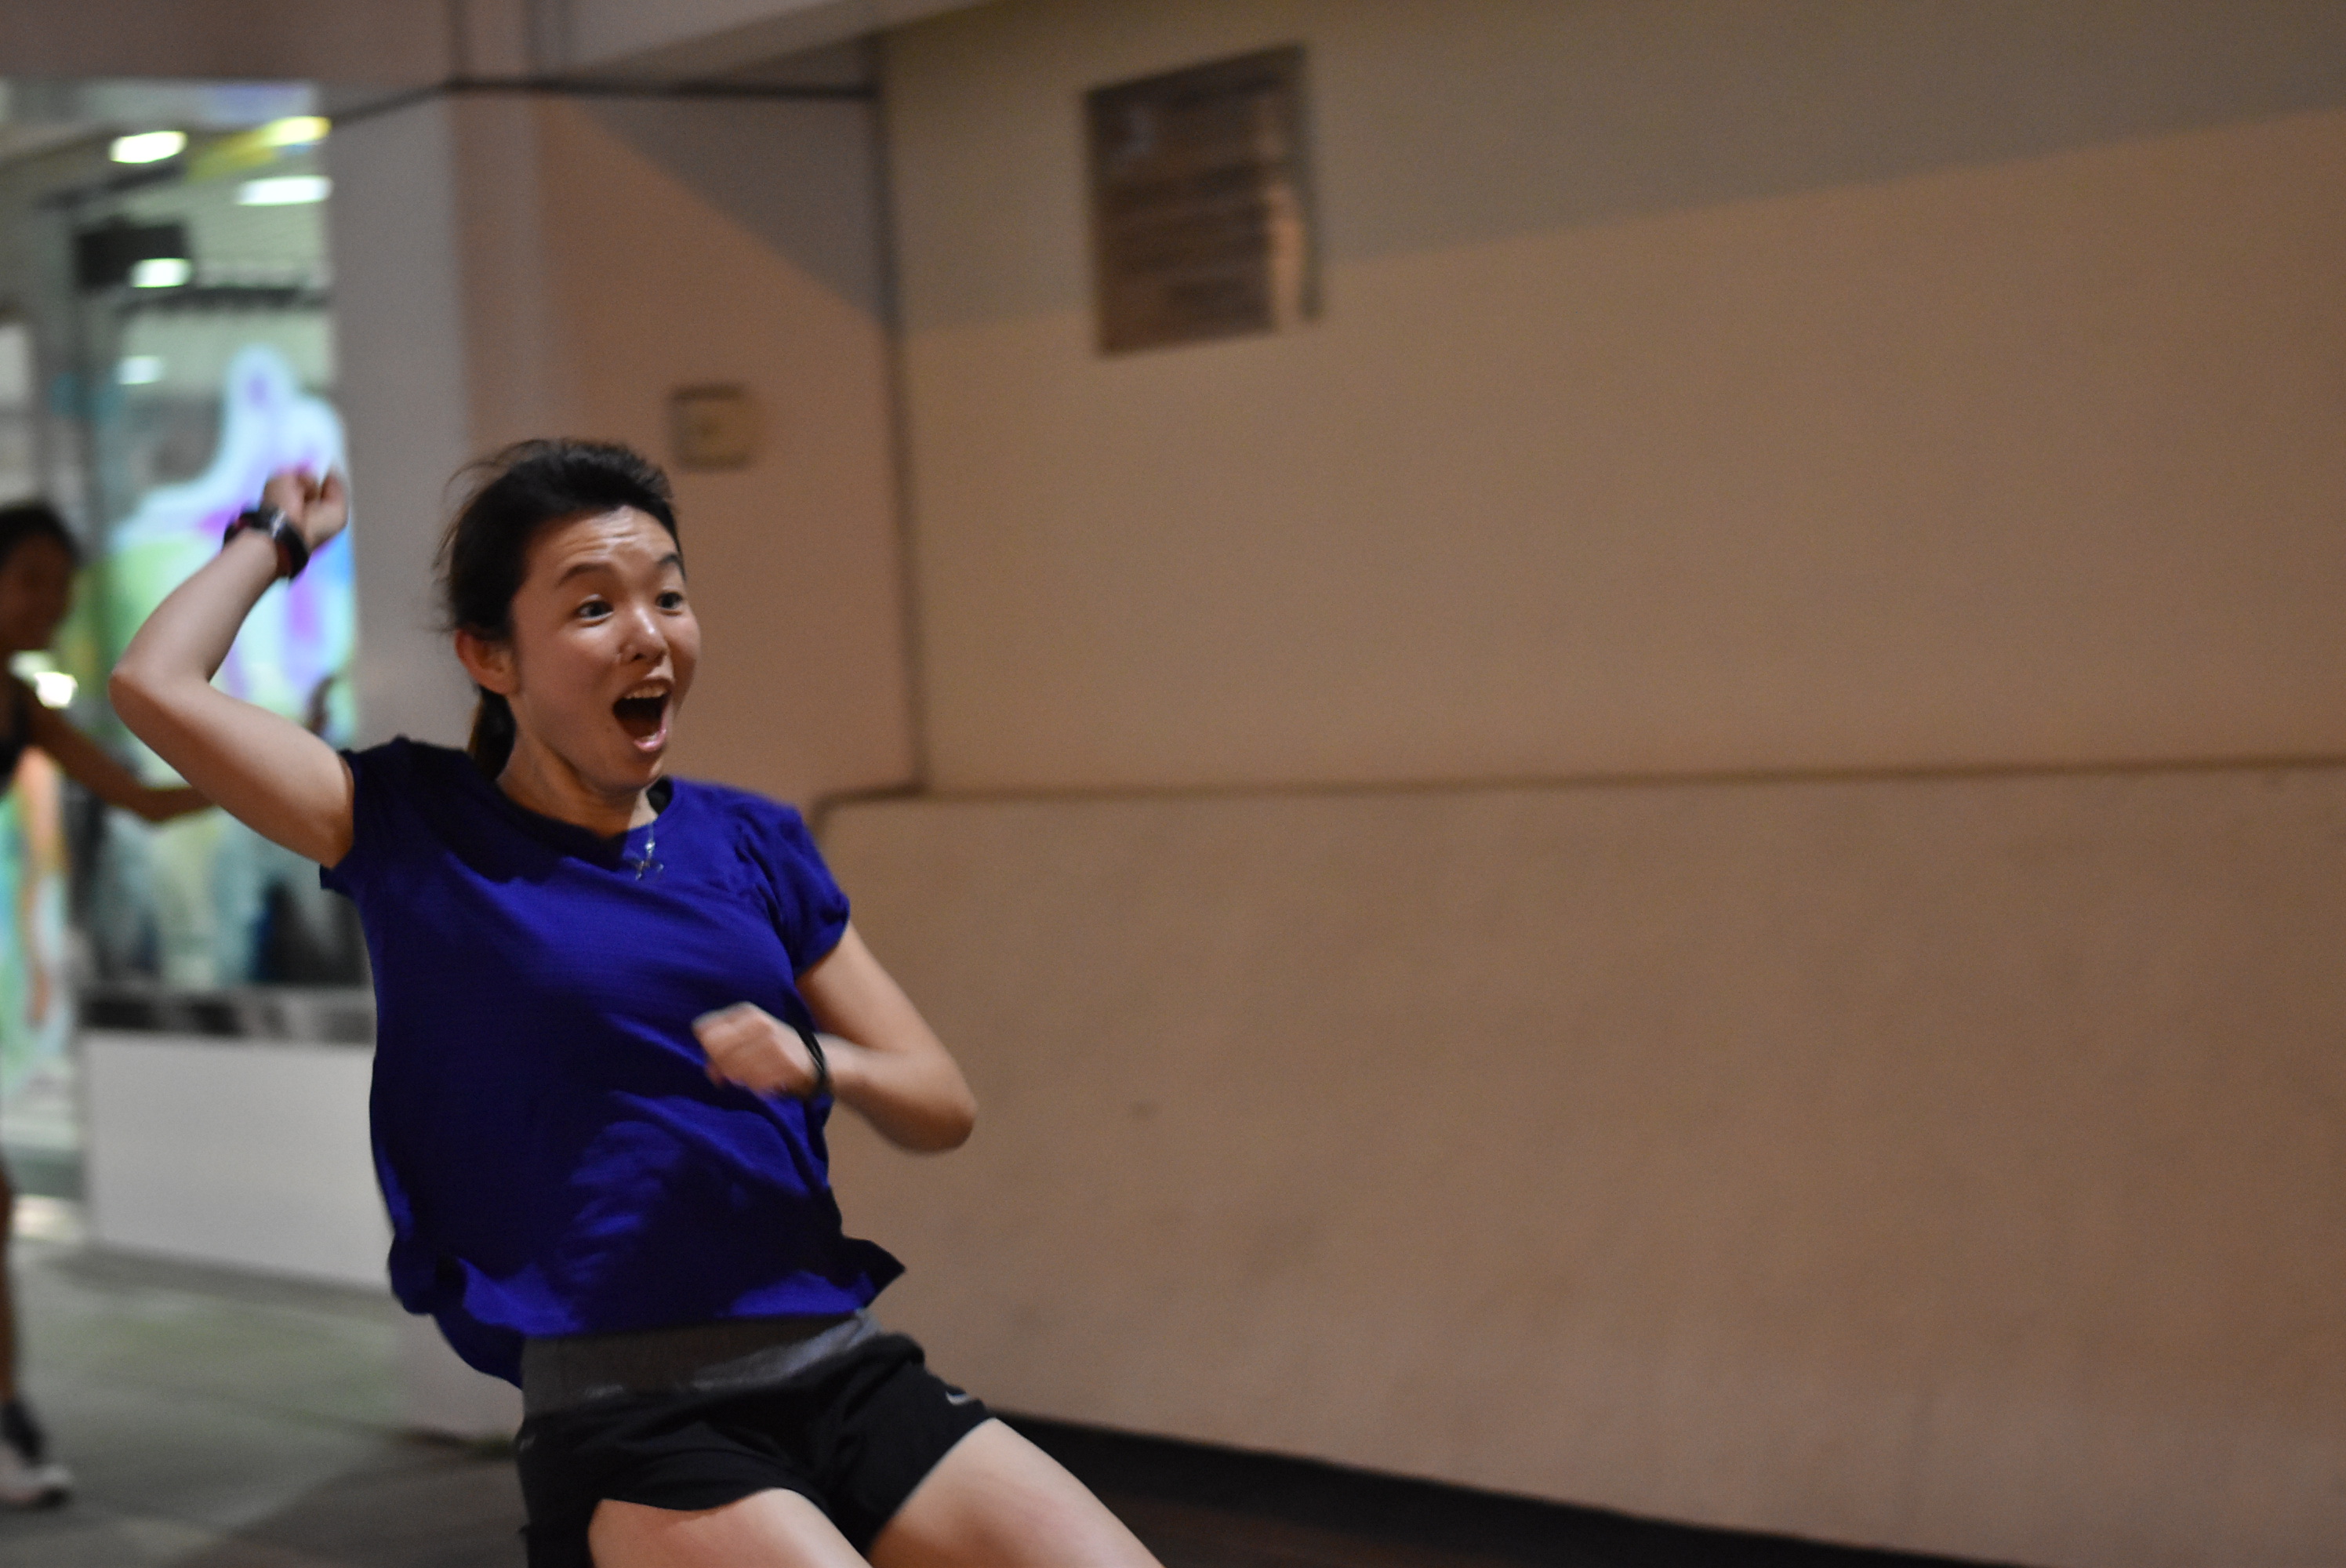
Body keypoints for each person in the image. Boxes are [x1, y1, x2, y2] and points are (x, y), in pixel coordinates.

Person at [110, 442, 1165, 1568]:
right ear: (490, 657)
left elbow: (941, 1104)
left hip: (838, 1363)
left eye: (667, 596)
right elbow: (155, 687)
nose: (647, 633)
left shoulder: (752, 842)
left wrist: (820, 1062)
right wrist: (277, 541)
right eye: (592, 607)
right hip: (633, 1417)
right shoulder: (415, 829)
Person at [0, 502, 210, 1508]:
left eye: (63, 585)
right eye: (31, 579)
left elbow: (147, 802)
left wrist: (286, 763)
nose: (52, 602)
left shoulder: (20, 708)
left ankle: (8, 1417)